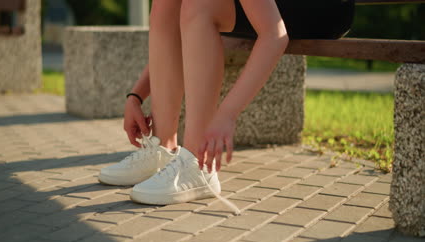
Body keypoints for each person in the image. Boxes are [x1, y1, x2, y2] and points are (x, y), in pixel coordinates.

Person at [98, 0, 354, 212]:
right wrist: (136, 96)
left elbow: (275, 35)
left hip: (324, 7)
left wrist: (227, 114)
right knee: (167, 4)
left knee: (200, 5)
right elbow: (171, 39)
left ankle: (199, 164)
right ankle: (163, 148)